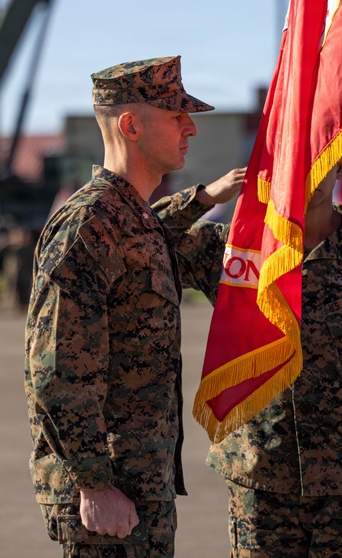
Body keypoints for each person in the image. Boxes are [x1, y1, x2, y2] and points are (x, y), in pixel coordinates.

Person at [154, 156, 342, 556]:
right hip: (260, 478)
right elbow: (145, 232)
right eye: (297, 161)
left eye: (322, 161)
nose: (308, 175)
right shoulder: (238, 248)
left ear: (341, 167)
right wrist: (208, 195)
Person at [24, 55, 213, 558]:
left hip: (139, 484)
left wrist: (205, 198)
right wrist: (92, 484)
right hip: (108, 493)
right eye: (176, 115)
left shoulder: (134, 219)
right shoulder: (90, 224)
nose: (190, 126)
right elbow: (55, 370)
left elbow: (163, 236)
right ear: (131, 125)